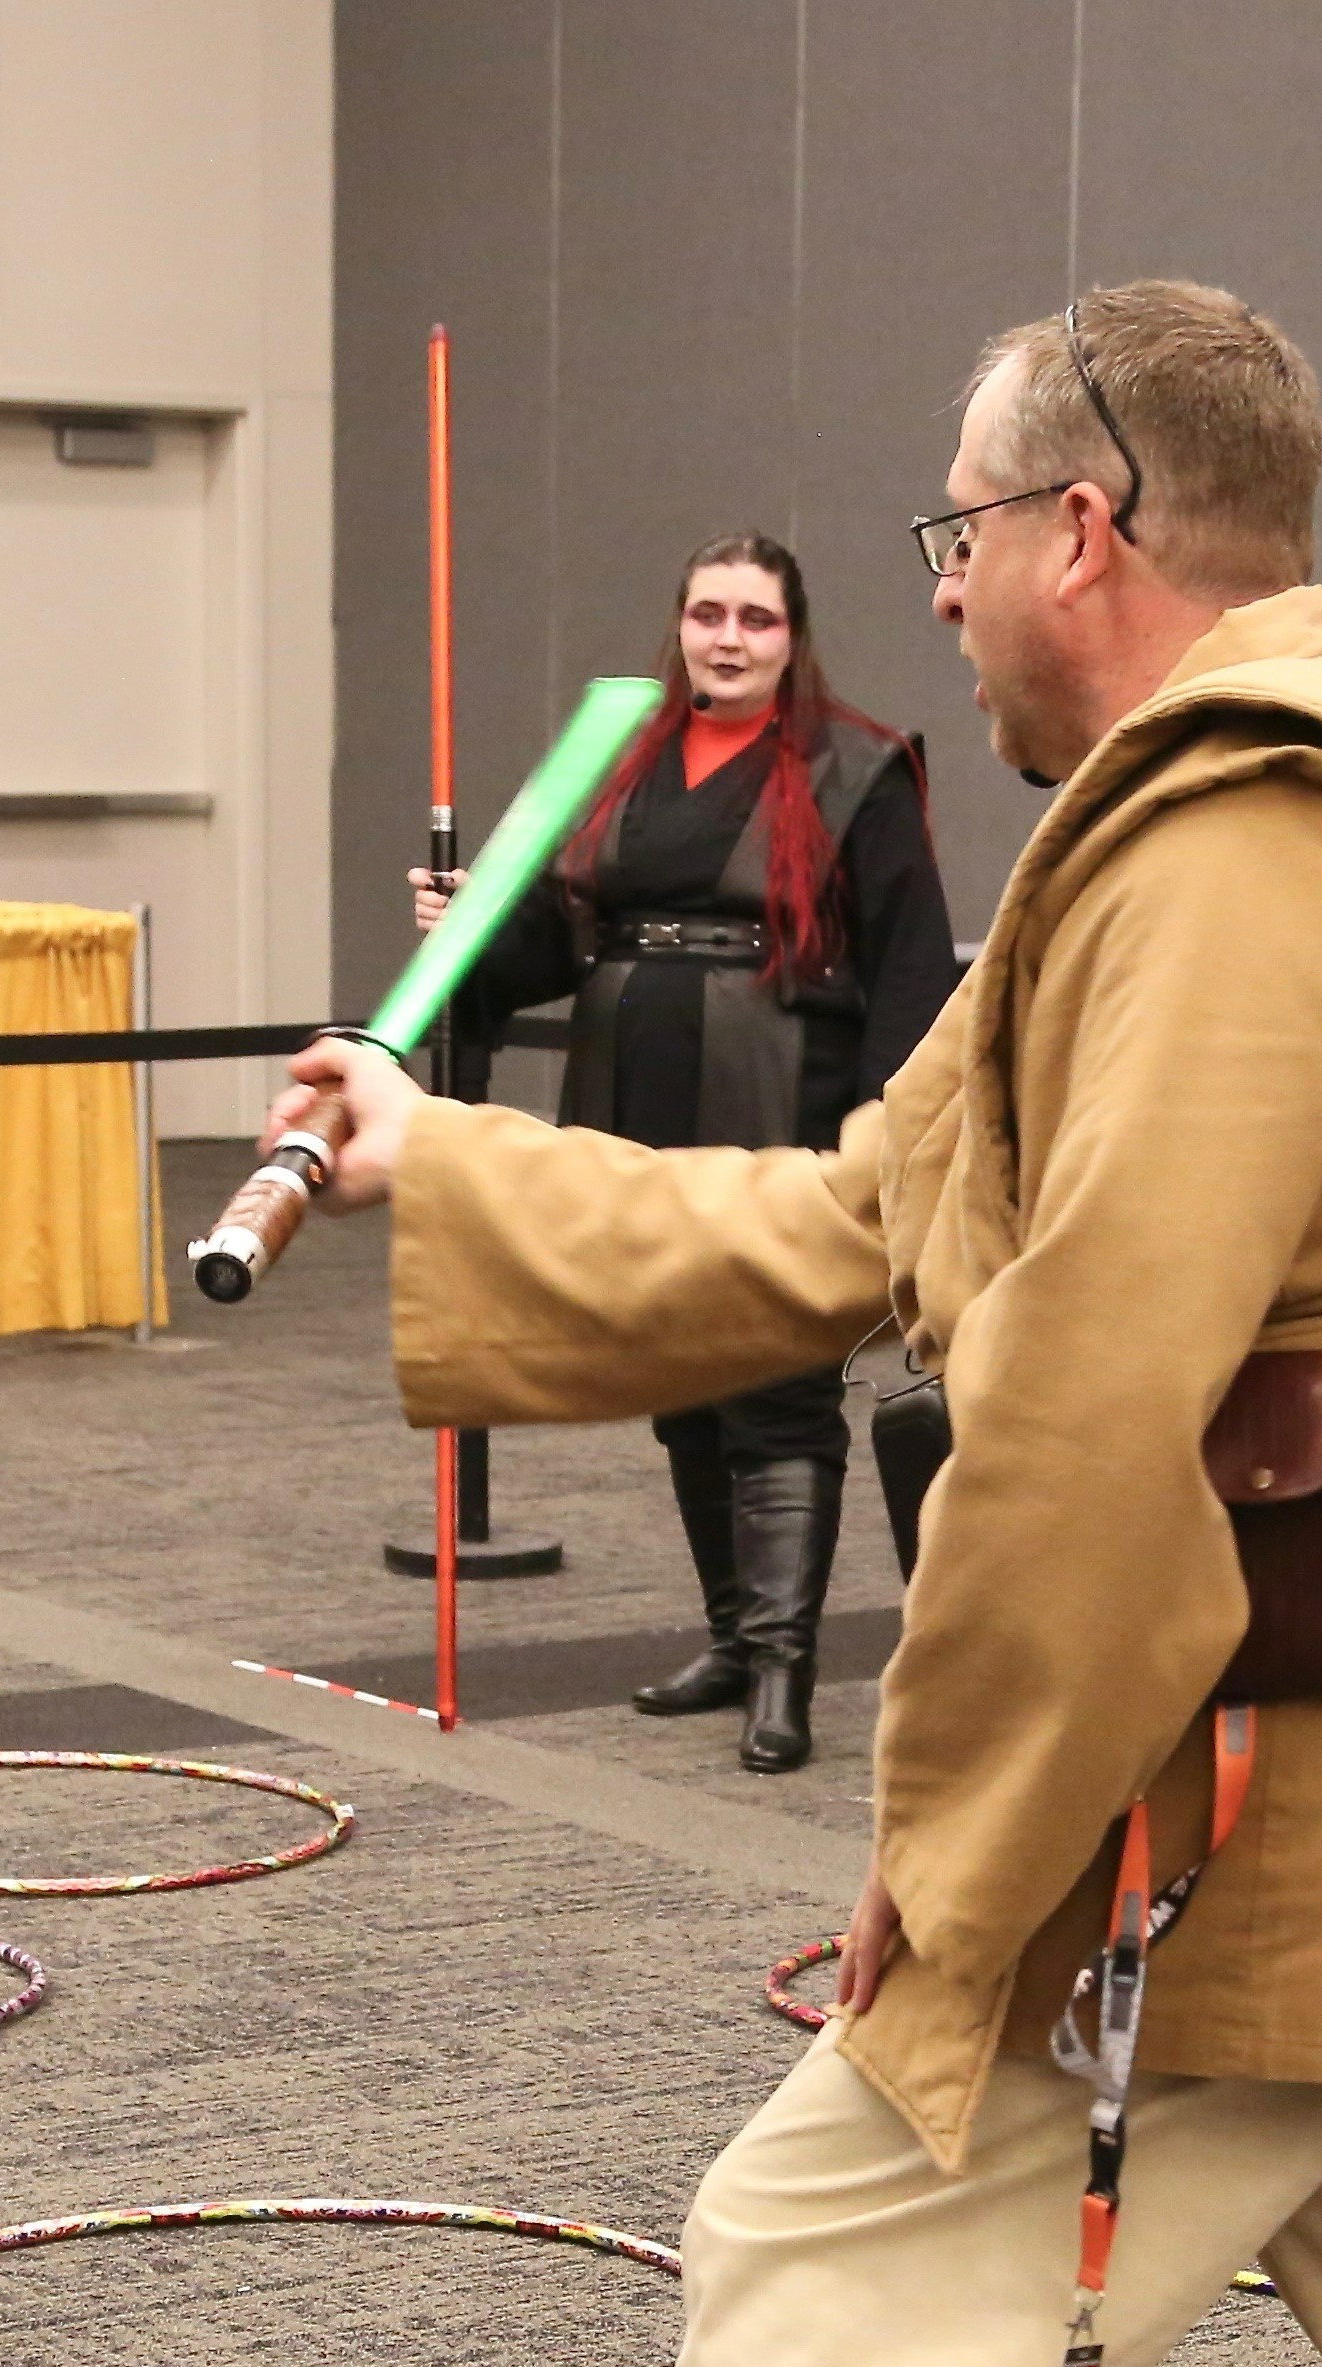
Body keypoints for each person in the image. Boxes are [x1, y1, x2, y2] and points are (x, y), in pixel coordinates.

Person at [277, 280, 1322, 2367]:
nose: (933, 598)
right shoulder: (1189, 820)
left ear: (1079, 529)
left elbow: (1086, 1413)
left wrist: (947, 1871)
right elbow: (862, 1207)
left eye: (950, 534)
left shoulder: (1248, 835)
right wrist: (437, 1157)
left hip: (1297, 1778)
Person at [413, 533, 956, 1774]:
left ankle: (783, 1670)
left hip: (780, 1098)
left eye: (755, 619)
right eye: (707, 613)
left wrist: (879, 1131)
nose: (726, 637)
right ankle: (728, 1638)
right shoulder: (623, 764)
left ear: (790, 635)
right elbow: (558, 949)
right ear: (679, 624)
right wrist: (469, 930)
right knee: (678, 1371)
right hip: (630, 1091)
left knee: (774, 1379)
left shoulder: (854, 767)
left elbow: (910, 965)